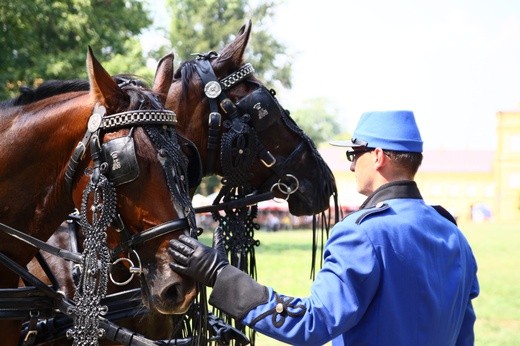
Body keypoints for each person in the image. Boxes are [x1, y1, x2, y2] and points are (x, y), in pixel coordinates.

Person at [169, 110, 480, 345]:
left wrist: (219, 274)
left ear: (378, 156)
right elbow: (465, 334)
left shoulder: (363, 233)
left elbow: (312, 323)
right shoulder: (453, 234)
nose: (350, 165)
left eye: (354, 154)